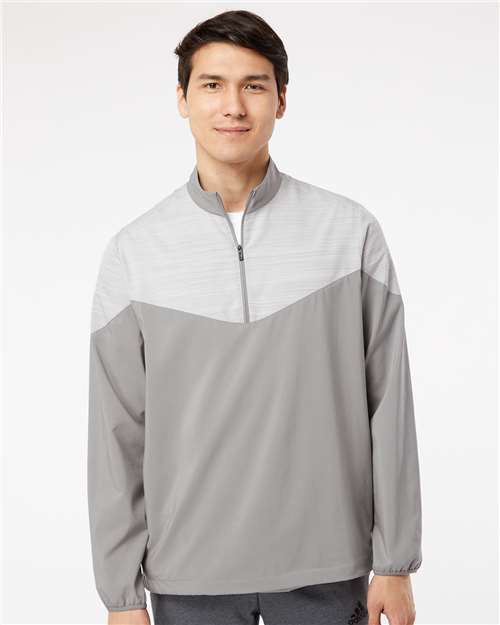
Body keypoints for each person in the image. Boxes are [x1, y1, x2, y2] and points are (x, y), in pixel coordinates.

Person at [87, 9, 422, 625]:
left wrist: (395, 563)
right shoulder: (134, 253)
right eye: (213, 84)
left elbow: (389, 405)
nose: (233, 106)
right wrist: (122, 597)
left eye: (254, 85)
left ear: (281, 100)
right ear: (183, 99)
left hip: (329, 566)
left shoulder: (349, 233)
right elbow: (117, 434)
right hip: (188, 573)